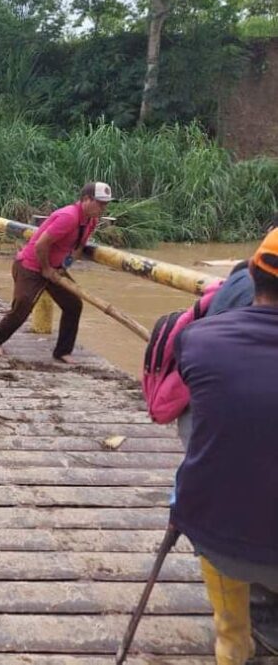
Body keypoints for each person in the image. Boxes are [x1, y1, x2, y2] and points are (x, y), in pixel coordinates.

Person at [173, 228, 278, 664]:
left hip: (215, 534)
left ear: (250, 274)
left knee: (231, 639)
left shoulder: (197, 339)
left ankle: (235, 641)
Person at [0, 182, 113, 363]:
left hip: (54, 268)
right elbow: (41, 244)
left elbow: (78, 248)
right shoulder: (68, 217)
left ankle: (62, 351)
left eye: (106, 204)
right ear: (86, 199)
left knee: (73, 304)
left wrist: (63, 268)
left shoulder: (91, 221)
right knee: (23, 305)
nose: (103, 208)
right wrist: (46, 269)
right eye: (100, 203)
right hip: (31, 265)